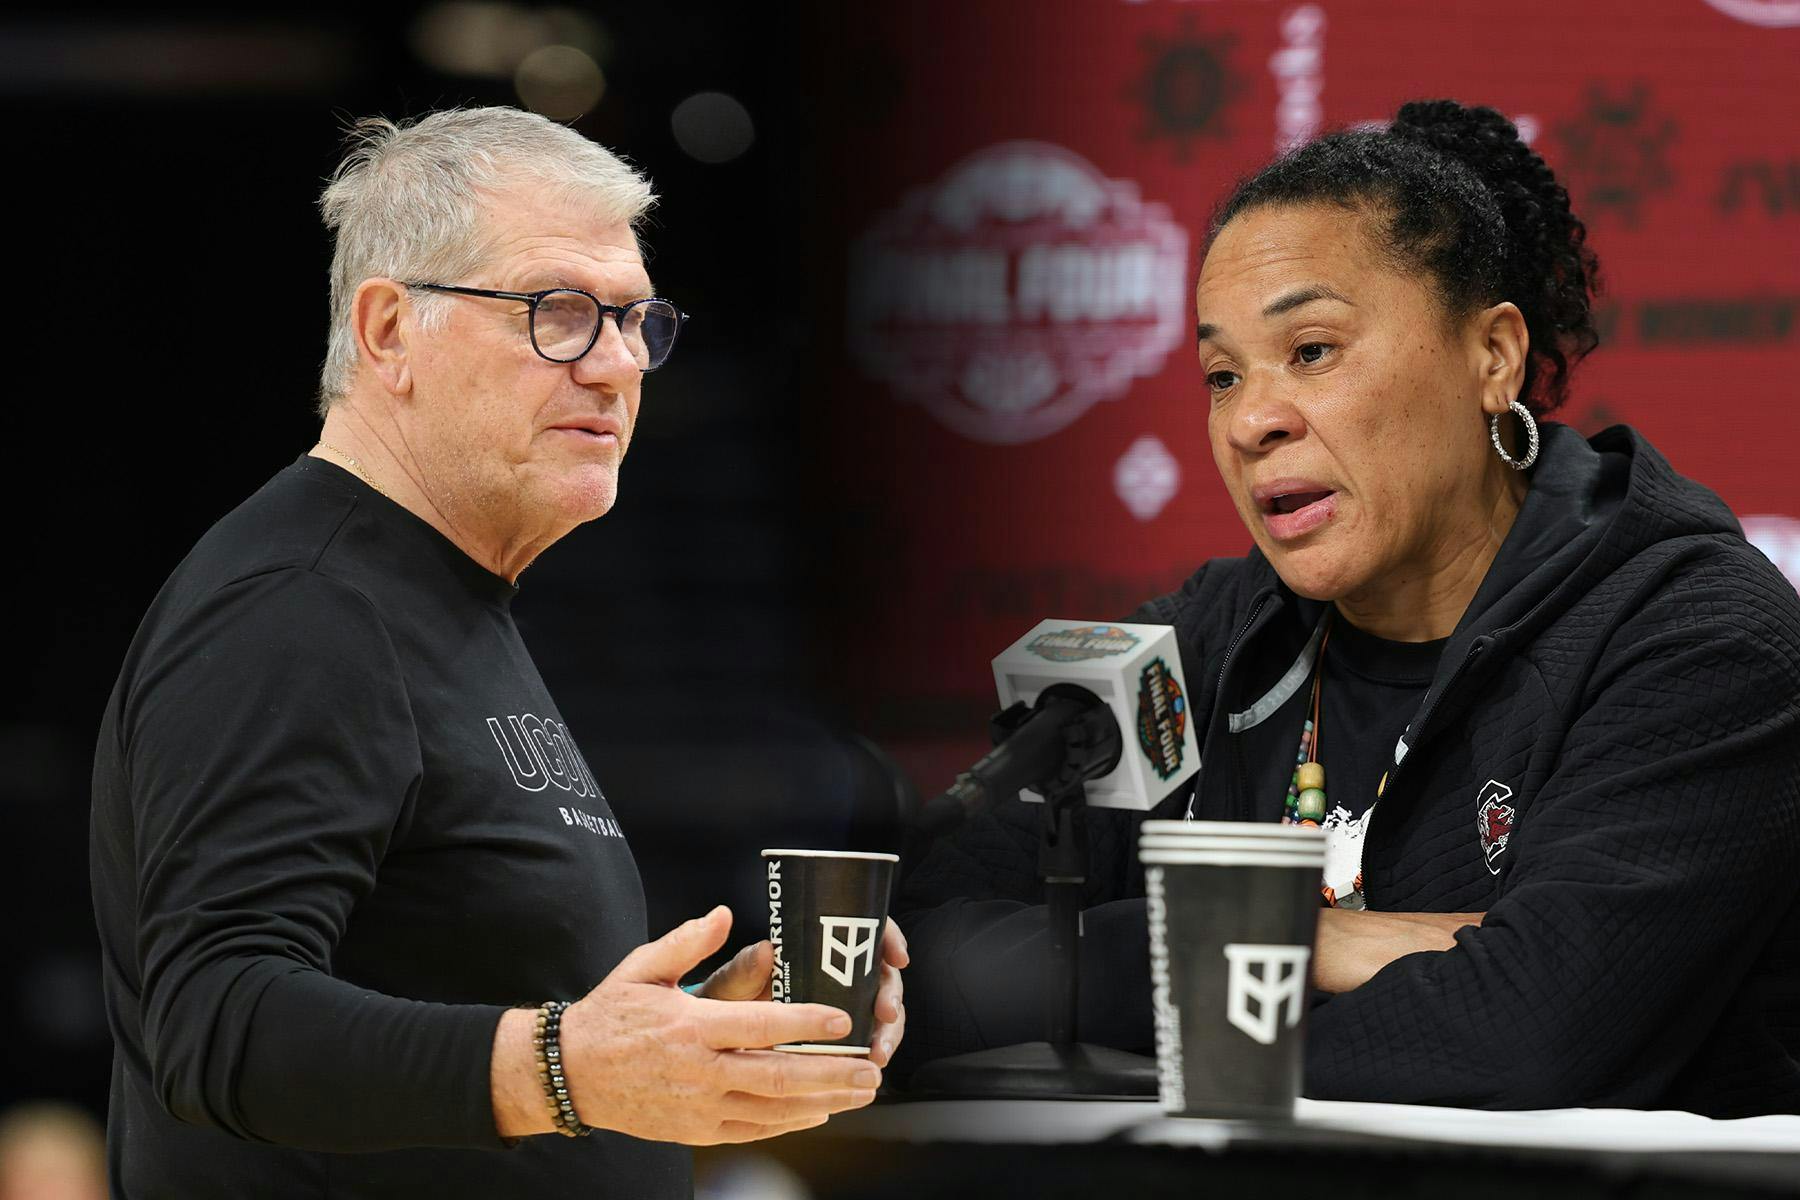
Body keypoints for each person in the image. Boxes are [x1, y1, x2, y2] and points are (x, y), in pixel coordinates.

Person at [894, 99, 1800, 1116]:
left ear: (1493, 356)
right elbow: (910, 962)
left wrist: (1131, 979)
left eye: (1312, 351)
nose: (1249, 420)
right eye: (1221, 374)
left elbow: (1526, 1038)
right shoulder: (1199, 640)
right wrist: (1290, 937)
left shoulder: (1700, 638)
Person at [90, 107, 906, 1199]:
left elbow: (472, 1011)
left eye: (635, 321)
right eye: (559, 312)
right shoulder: (300, 605)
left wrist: (686, 1046)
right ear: (387, 332)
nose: (617, 366)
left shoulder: (435, 600)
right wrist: (572, 1069)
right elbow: (219, 1022)